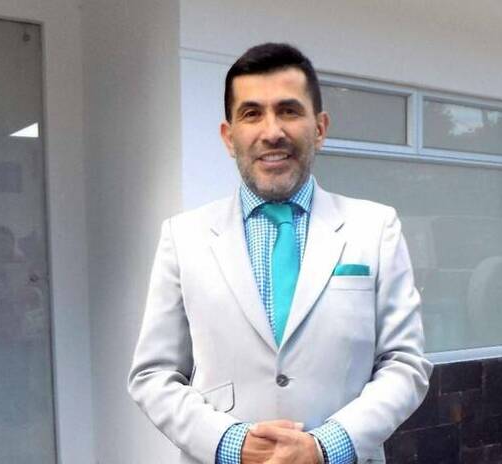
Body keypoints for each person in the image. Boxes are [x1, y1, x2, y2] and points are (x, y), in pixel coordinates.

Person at [128, 43, 432, 464]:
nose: (272, 131)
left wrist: (325, 446)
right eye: (252, 113)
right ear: (229, 136)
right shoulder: (184, 237)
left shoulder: (375, 229)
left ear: (320, 128)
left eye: (288, 110)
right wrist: (232, 443)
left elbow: (405, 365)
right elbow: (154, 375)